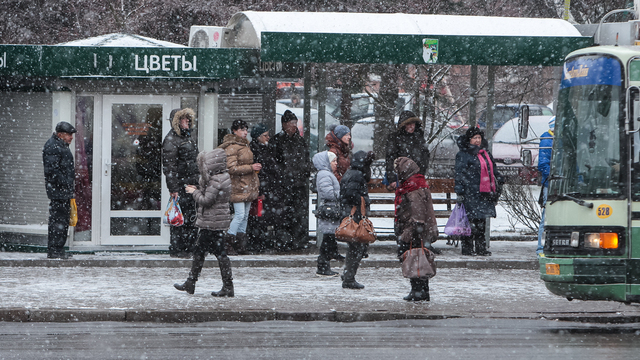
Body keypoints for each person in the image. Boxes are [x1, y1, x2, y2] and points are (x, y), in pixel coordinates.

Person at [174, 148, 234, 297]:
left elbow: (206, 200)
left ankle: (223, 286)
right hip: (216, 221)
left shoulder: (215, 180)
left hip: (212, 222)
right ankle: (193, 282)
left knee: (210, 252)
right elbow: (211, 195)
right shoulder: (223, 176)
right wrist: (199, 189)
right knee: (206, 252)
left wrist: (193, 192)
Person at [393, 157, 439, 301]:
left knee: (414, 259)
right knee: (419, 259)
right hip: (418, 229)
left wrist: (409, 231)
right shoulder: (416, 183)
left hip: (414, 229)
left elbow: (417, 212)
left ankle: (418, 291)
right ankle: (421, 291)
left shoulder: (413, 187)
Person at [454, 127, 504, 256]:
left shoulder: (485, 153)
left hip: (484, 193)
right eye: (474, 138)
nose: (477, 140)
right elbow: (459, 174)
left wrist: (499, 178)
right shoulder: (463, 154)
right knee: (469, 221)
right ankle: (468, 248)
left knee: (481, 221)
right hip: (470, 192)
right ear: (469, 139)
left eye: (479, 138)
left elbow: (492, 168)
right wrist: (460, 191)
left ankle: (481, 248)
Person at [272, 110, 313, 250]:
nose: (294, 126)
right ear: (284, 124)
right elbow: (274, 163)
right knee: (284, 215)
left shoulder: (300, 141)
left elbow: (306, 159)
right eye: (291, 123)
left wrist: (305, 171)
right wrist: (282, 176)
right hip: (283, 185)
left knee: (299, 214)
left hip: (299, 184)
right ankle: (283, 242)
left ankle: (299, 241)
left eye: (296, 123)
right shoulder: (277, 141)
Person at [218, 119, 261, 254]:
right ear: (234, 131)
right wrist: (251, 167)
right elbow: (231, 168)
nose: (245, 132)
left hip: (246, 185)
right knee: (240, 215)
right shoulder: (231, 146)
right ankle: (228, 243)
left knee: (245, 216)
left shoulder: (244, 145)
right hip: (238, 186)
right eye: (242, 129)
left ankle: (239, 244)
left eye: (246, 129)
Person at [162, 108, 199, 258]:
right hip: (181, 184)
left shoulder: (188, 137)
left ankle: (189, 247)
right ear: (177, 121)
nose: (187, 121)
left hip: (191, 183)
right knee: (180, 218)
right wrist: (174, 188)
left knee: (190, 216)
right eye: (184, 119)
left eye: (188, 119)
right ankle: (178, 248)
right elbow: (169, 167)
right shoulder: (171, 140)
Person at [340, 150, 375, 289]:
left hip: (350, 213)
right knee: (357, 247)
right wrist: (364, 200)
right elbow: (350, 194)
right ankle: (349, 278)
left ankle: (348, 274)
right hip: (354, 216)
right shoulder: (357, 175)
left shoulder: (352, 173)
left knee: (354, 247)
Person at [42, 121, 77, 259]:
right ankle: (54, 250)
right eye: (69, 135)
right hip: (58, 192)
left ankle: (58, 249)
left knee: (61, 221)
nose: (71, 138)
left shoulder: (60, 145)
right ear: (60, 134)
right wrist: (67, 182)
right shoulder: (53, 146)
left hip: (62, 191)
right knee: (58, 221)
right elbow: (52, 171)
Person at [248, 123, 282, 252]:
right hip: (262, 188)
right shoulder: (255, 150)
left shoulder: (266, 149)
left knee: (264, 216)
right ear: (258, 137)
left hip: (269, 188)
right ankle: (256, 242)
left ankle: (261, 241)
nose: (268, 137)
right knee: (258, 217)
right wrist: (260, 189)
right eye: (265, 135)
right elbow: (259, 173)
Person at [313, 151, 343, 277]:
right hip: (329, 210)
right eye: (333, 161)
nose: (336, 163)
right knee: (328, 238)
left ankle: (327, 261)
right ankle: (323, 266)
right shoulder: (325, 174)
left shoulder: (326, 174)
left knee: (329, 238)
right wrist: (341, 195)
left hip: (330, 209)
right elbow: (328, 193)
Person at [384, 110, 430, 191]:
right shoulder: (395, 138)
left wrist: (420, 174)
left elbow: (425, 157)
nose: (411, 126)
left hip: (416, 178)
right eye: (408, 124)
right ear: (403, 125)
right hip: (401, 178)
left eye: (413, 124)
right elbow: (390, 159)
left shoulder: (419, 138)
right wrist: (392, 179)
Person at [537, 116, 555, 256]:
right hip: (552, 184)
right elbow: (543, 164)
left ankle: (542, 248)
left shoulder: (549, 139)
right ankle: (541, 248)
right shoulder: (548, 140)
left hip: (555, 182)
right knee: (546, 217)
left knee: (547, 216)